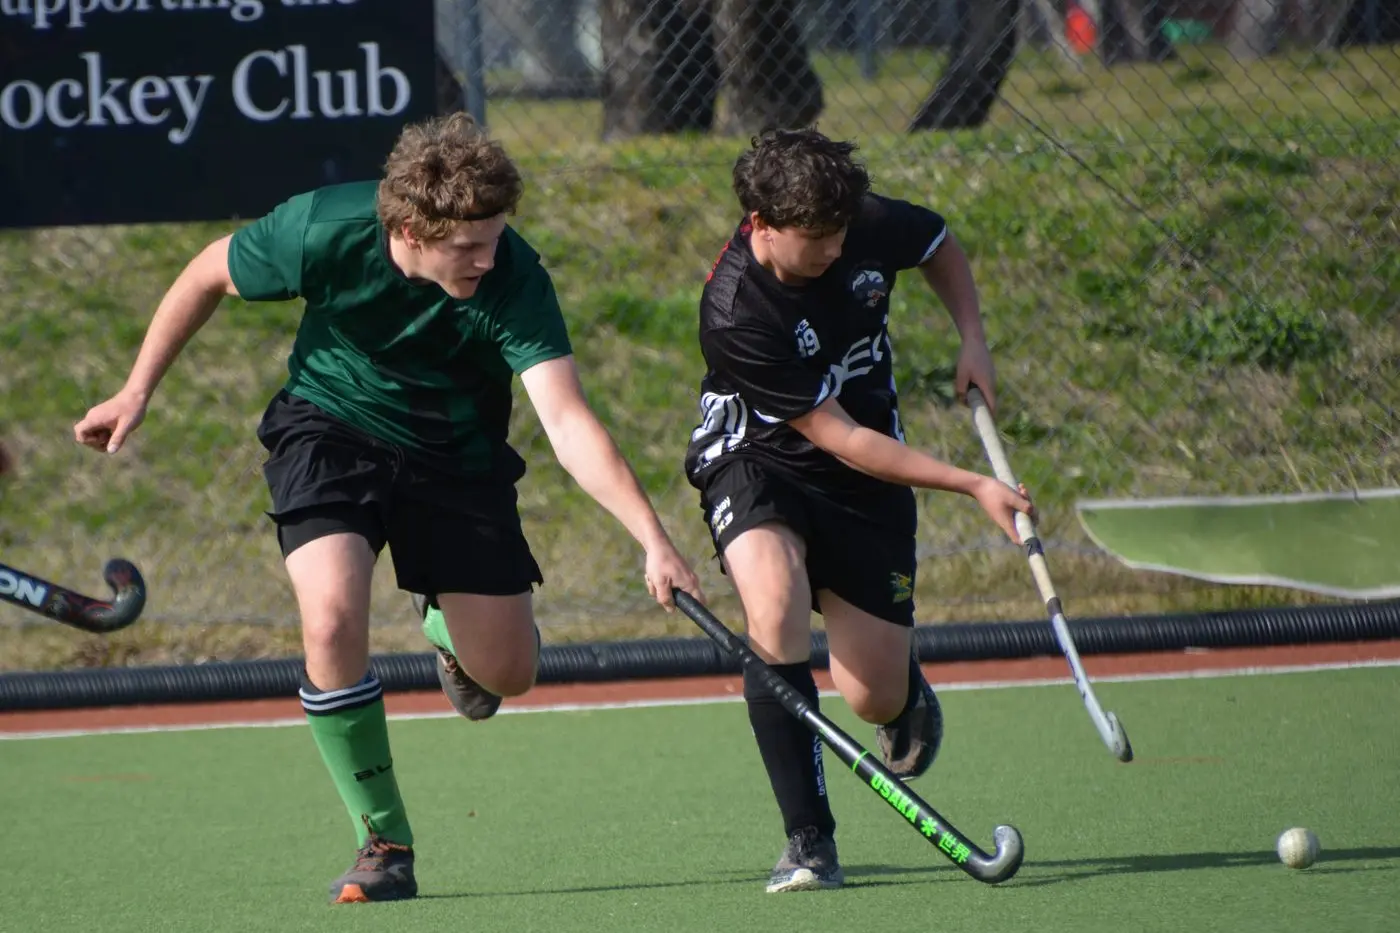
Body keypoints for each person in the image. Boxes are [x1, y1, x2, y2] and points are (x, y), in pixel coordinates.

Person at [74, 112, 702, 904]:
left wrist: (653, 538)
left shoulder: (514, 276)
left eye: (495, 237)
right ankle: (384, 839)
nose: (486, 257)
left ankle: (446, 629)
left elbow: (568, 422)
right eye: (466, 247)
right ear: (408, 227)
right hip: (330, 427)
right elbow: (204, 273)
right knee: (333, 619)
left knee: (506, 672)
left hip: (456, 457)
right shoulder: (322, 228)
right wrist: (136, 389)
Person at [683, 128, 1034, 893]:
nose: (835, 253)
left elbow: (938, 242)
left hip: (864, 478)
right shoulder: (737, 309)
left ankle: (903, 691)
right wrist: (971, 482)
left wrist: (971, 339)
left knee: (872, 690)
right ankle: (809, 840)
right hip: (761, 457)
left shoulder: (856, 222)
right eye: (815, 241)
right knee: (774, 605)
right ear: (760, 223)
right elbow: (836, 435)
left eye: (841, 235)